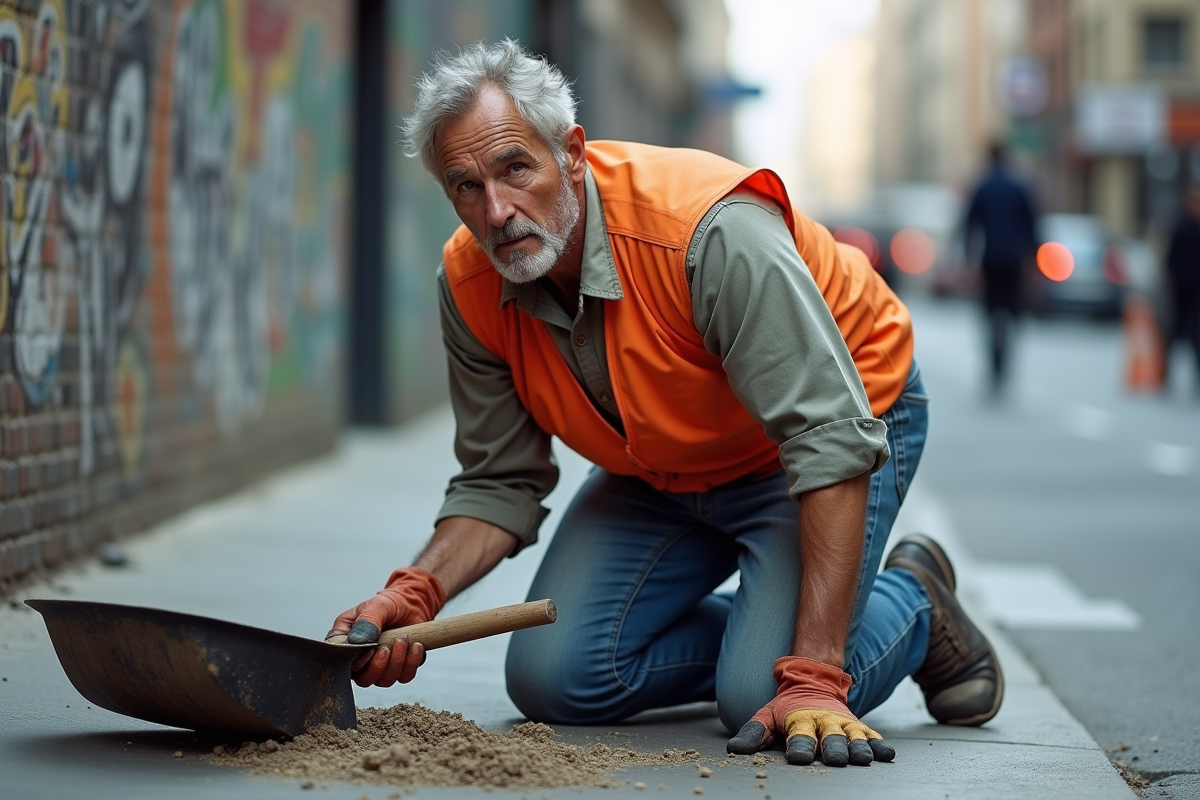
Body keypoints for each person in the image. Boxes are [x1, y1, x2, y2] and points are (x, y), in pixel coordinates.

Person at [329, 40, 1003, 768]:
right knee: (553, 677)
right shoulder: (469, 284)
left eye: (515, 168)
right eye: (465, 186)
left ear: (572, 154)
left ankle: (914, 601)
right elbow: (500, 480)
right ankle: (761, 640)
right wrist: (415, 594)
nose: (495, 210)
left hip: (827, 431)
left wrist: (813, 674)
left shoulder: (705, 232)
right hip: (664, 466)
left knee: (762, 697)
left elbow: (828, 436)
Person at [963, 142, 1038, 395]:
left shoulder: (982, 187)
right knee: (1011, 312)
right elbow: (1031, 225)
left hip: (990, 260)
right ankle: (1005, 362)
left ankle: (994, 363)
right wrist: (1032, 259)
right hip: (1013, 260)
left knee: (990, 313)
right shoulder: (1018, 187)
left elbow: (970, 224)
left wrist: (968, 260)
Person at [1164, 184, 1200, 391]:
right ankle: (1168, 375)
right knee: (1175, 332)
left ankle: (1196, 376)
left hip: (1196, 291)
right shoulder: (1179, 226)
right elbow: (1170, 259)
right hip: (1180, 290)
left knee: (1196, 334)